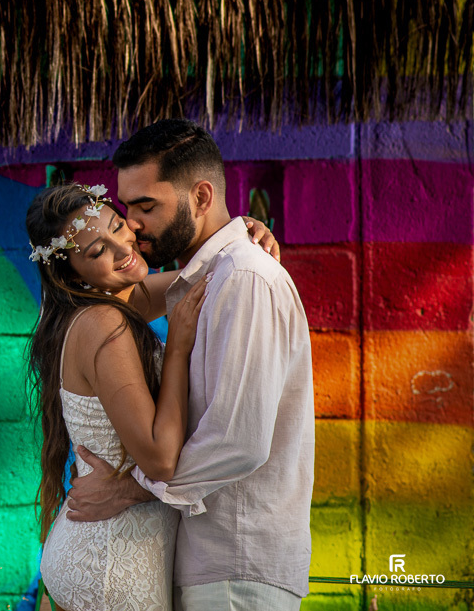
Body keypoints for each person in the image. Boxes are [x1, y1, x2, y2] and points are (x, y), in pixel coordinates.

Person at [62, 119, 314, 611]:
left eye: (145, 207)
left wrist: (129, 492)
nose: (132, 224)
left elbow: (238, 440)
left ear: (200, 197)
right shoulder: (213, 276)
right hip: (209, 560)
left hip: (236, 563)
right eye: (126, 208)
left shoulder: (245, 279)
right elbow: (116, 302)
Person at [24, 179, 279, 611]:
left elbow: (214, 269)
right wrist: (177, 348)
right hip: (113, 566)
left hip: (101, 553)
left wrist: (247, 233)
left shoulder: (108, 305)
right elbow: (160, 460)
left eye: (117, 226)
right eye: (96, 251)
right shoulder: (104, 323)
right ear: (71, 273)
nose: (122, 248)